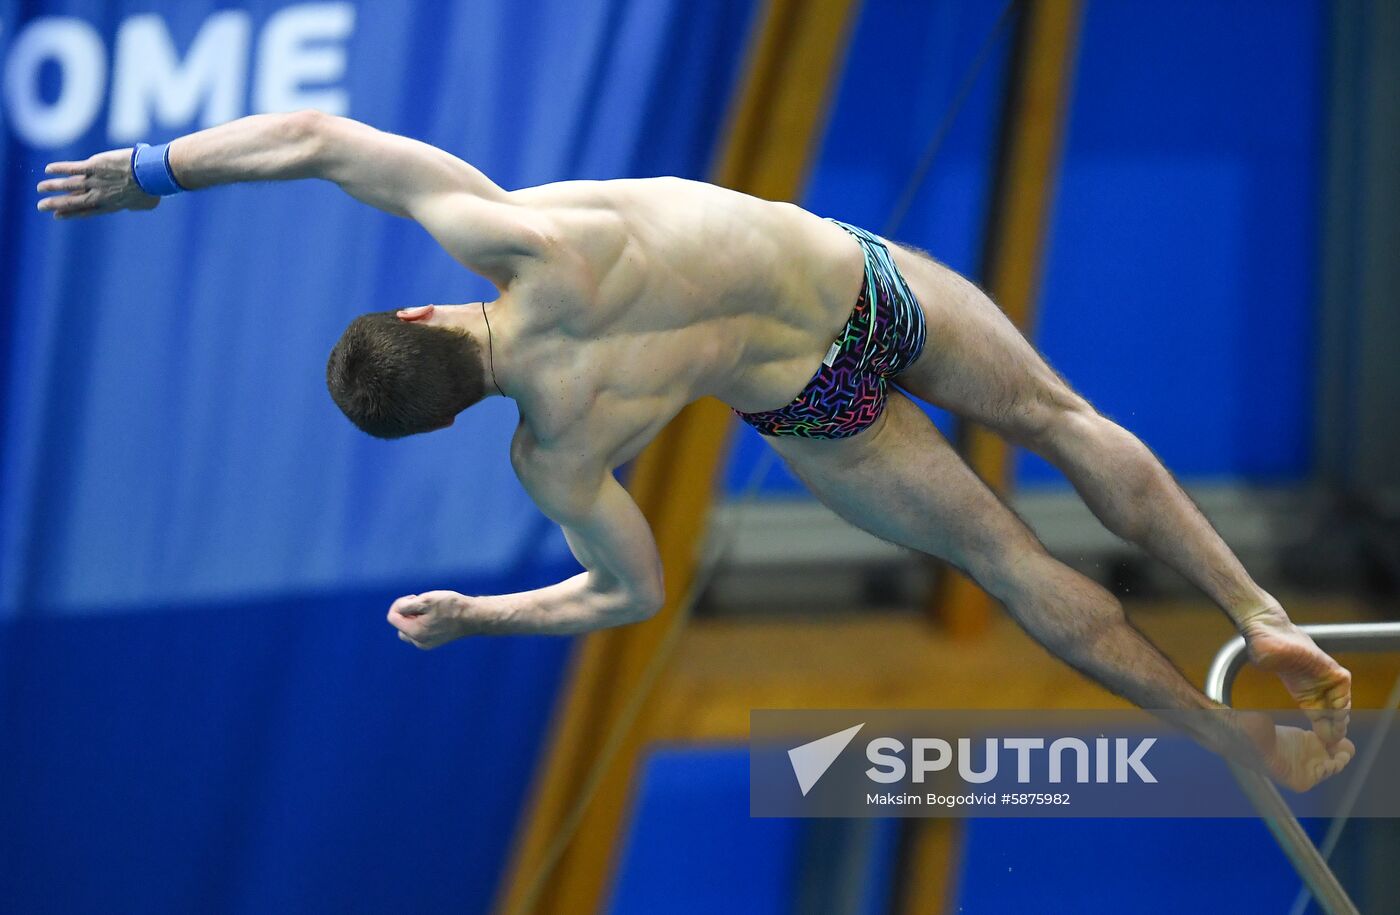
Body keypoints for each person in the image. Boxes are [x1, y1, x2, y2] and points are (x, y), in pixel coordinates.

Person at [38, 111, 1353, 791]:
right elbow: (319, 145)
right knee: (1062, 424)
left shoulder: (554, 458)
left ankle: (1229, 741)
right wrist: (152, 169)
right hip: (853, 287)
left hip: (808, 405)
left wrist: (477, 616)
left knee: (1009, 568)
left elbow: (629, 594)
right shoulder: (514, 242)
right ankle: (1260, 606)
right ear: (429, 312)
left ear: (451, 417)